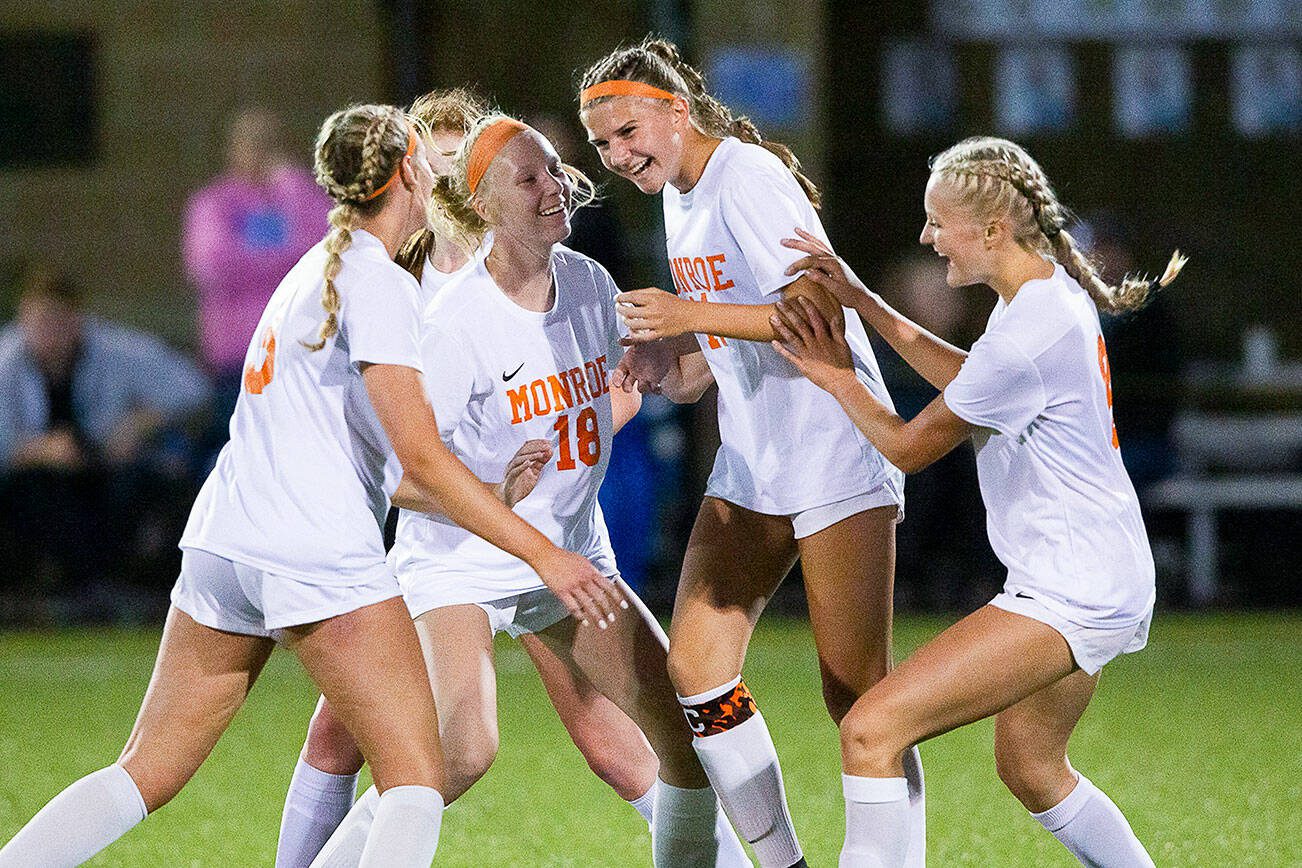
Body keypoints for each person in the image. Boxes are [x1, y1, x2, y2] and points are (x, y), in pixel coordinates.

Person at [0, 103, 619, 868]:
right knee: (419, 783)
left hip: (224, 545)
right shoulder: (380, 284)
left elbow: (386, 463)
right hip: (314, 555)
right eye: (429, 160)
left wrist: (490, 489)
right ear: (406, 174)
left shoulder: (314, 268)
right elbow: (420, 462)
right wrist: (546, 554)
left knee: (145, 772)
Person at [273, 89, 706, 868]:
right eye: (528, 178)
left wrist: (697, 356)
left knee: (677, 741)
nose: (554, 187)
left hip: (568, 550)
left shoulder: (587, 283)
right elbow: (402, 472)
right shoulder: (442, 316)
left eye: (553, 171)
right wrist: (495, 491)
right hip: (460, 559)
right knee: (456, 749)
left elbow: (624, 395)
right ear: (475, 201)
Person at [770, 135, 1181, 865]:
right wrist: (863, 302)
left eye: (937, 222)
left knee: (871, 730)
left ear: (991, 230)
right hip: (1099, 572)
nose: (927, 238)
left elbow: (906, 447)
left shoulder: (1026, 326)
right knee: (1031, 768)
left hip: (1072, 589)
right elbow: (978, 380)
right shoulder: (1044, 295)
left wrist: (835, 375)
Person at [578, 38, 922, 868]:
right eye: (602, 147)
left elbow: (813, 314)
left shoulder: (747, 177)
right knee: (696, 673)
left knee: (859, 701)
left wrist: (683, 311)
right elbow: (728, 345)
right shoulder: (679, 193)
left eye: (629, 133)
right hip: (753, 464)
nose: (621, 156)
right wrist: (675, 362)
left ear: (675, 109)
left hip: (833, 456)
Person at [0, 265, 211, 613]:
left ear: (76, 318)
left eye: (59, 320)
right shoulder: (8, 362)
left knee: (150, 485)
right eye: (40, 321)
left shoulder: (114, 350)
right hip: (36, 485)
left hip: (105, 474)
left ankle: (129, 586)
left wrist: (139, 423)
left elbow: (191, 388)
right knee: (37, 492)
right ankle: (50, 590)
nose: (49, 332)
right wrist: (37, 451)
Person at [183, 107, 332, 444]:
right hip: (237, 357)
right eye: (250, 143)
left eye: (268, 143)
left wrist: (294, 188)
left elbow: (328, 250)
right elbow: (211, 265)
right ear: (232, 149)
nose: (259, 152)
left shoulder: (300, 197)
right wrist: (287, 259)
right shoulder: (214, 203)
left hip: (297, 354)